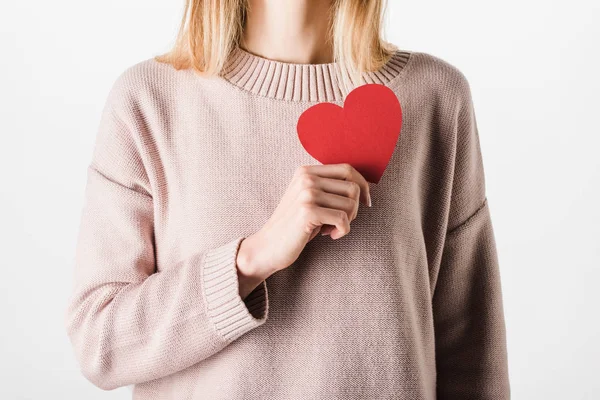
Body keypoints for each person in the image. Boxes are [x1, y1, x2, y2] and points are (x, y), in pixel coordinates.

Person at [64, 0, 510, 398]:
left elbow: (473, 354)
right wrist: (249, 261)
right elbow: (99, 343)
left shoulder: (436, 97)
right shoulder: (149, 101)